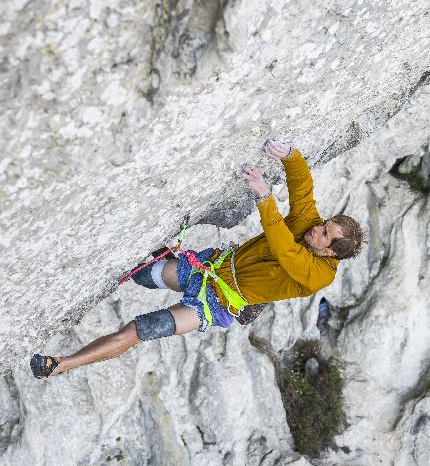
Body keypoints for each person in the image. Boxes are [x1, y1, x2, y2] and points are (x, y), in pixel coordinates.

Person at [30, 140, 365, 379]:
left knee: (141, 328)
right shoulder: (310, 228)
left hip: (219, 303)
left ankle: (59, 364)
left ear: (330, 252)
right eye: (324, 224)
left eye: (324, 234)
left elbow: (284, 251)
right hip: (212, 267)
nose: (317, 229)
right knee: (143, 275)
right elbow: (303, 190)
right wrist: (291, 156)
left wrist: (264, 196)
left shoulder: (318, 276)